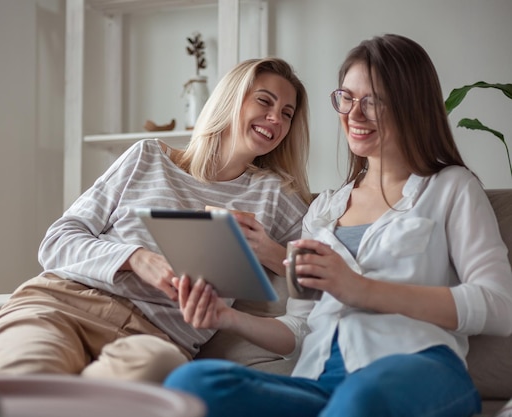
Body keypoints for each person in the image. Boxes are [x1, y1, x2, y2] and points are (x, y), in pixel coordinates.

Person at [163, 34, 512, 417]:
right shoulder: (322, 210)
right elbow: (300, 327)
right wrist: (226, 317)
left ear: (412, 105)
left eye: (374, 101)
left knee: (362, 398)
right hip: (320, 383)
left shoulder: (451, 188)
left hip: (420, 369)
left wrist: (360, 289)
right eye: (346, 98)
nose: (354, 115)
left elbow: (499, 306)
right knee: (191, 386)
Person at [0, 57, 312, 383]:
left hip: (156, 339)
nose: (276, 118)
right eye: (264, 101)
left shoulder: (277, 197)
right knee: (26, 378)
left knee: (114, 392)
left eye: (287, 113)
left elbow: (320, 282)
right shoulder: (148, 157)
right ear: (230, 100)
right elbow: (57, 242)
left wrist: (267, 249)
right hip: (61, 303)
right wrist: (135, 258)